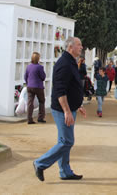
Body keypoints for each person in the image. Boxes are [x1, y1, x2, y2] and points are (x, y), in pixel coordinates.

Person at [33, 37, 87, 182]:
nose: (81, 47)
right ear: (70, 47)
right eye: (79, 45)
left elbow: (71, 88)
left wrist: (78, 106)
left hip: (70, 108)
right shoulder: (64, 64)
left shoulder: (71, 62)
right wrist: (67, 111)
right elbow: (60, 91)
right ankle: (40, 163)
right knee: (67, 142)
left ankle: (65, 171)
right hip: (63, 110)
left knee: (64, 140)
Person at [24, 52, 46, 124]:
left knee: (30, 103)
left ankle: (29, 119)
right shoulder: (40, 67)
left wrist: (28, 83)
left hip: (30, 86)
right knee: (41, 101)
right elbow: (43, 77)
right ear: (38, 59)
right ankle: (40, 117)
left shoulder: (28, 66)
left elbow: (25, 77)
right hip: (38, 87)